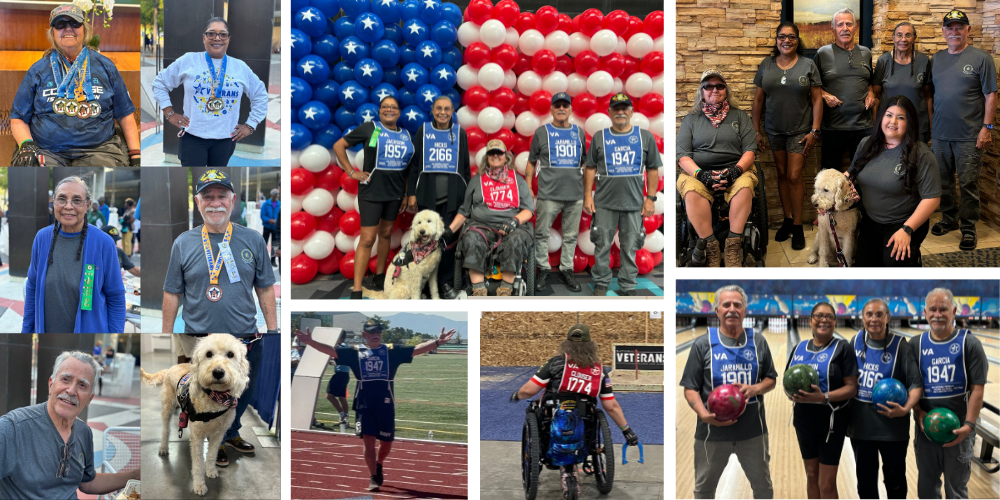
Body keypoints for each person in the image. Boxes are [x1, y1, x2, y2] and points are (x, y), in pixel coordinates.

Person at [294, 319, 456, 492]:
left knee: (386, 443)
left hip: (385, 403)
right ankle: (373, 477)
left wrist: (437, 342)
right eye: (372, 332)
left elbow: (417, 349)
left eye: (378, 332)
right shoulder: (355, 352)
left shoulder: (391, 351)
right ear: (364, 335)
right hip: (364, 403)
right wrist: (310, 342)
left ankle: (379, 463)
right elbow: (331, 350)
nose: (376, 335)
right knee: (368, 440)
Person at [508, 323, 640, 498]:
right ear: (591, 345)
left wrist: (517, 395)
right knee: (591, 414)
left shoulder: (555, 363)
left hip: (552, 416)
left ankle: (541, 457)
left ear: (566, 344)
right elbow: (611, 405)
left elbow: (529, 391)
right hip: (586, 419)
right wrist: (627, 431)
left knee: (533, 409)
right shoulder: (599, 370)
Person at [9, 4, 140, 166]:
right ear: (52, 33)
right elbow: (17, 118)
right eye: (60, 24)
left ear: (84, 30)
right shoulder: (37, 70)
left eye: (74, 23)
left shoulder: (106, 66)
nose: (68, 28)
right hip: (46, 149)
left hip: (100, 150)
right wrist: (27, 145)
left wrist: (136, 157)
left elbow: (124, 114)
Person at [680, 285, 777, 499]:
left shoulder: (758, 342)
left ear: (744, 311)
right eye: (726, 305)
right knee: (703, 491)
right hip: (711, 434)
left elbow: (771, 379)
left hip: (753, 433)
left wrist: (756, 388)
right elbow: (690, 388)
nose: (731, 309)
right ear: (717, 311)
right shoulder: (702, 344)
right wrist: (703, 414)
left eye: (737, 305)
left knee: (763, 489)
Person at [0, 351, 140, 498]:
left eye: (82, 385)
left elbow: (87, 483)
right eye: (66, 379)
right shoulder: (12, 428)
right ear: (51, 385)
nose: (71, 391)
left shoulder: (83, 432)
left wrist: (136, 476)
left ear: (89, 399)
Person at [162, 169, 277, 333]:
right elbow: (172, 293)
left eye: (222, 196)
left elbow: (265, 288)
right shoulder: (183, 243)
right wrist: (166, 333)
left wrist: (273, 331)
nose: (215, 204)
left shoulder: (254, 239)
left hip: (244, 337)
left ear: (232, 200)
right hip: (197, 339)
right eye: (207, 197)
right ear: (197, 201)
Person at [150, 17, 268, 166]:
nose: (217, 38)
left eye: (223, 34)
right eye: (211, 33)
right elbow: (159, 83)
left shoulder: (240, 67)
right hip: (193, 137)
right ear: (204, 37)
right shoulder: (189, 60)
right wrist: (169, 114)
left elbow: (260, 95)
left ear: (228, 38)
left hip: (226, 139)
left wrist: (251, 124)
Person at [929, 9, 998, 251]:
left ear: (968, 30)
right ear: (943, 31)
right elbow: (931, 95)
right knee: (944, 182)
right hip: (939, 135)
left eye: (960, 27)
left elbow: (991, 95)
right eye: (950, 27)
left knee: (968, 183)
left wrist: (986, 128)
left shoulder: (981, 58)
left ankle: (968, 228)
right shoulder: (935, 60)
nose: (954, 31)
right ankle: (949, 220)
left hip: (970, 136)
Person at [910, 288, 989, 499]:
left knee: (956, 491)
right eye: (932, 309)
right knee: (927, 490)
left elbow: (977, 390)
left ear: (954, 311)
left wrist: (969, 426)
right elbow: (912, 388)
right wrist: (918, 413)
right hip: (926, 431)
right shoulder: (915, 345)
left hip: (960, 430)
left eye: (943, 309)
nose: (937, 314)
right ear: (925, 312)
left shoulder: (970, 344)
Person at [332, 96, 413, 299]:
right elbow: (338, 146)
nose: (389, 110)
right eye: (385, 107)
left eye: (393, 107)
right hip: (371, 192)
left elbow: (407, 168)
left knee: (386, 234)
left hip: (395, 194)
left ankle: (379, 277)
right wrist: (352, 172)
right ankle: (357, 288)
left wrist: (405, 193)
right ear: (379, 111)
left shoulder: (406, 135)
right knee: (367, 239)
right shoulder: (371, 128)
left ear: (399, 112)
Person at [751, 22, 822, 250]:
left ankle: (799, 225)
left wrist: (815, 131)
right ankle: (788, 220)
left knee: (794, 176)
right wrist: (755, 130)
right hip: (774, 130)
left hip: (800, 131)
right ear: (776, 39)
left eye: (791, 37)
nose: (787, 41)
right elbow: (759, 101)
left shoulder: (807, 65)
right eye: (782, 36)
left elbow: (817, 100)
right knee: (781, 174)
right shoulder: (766, 65)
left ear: (797, 40)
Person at [846, 95, 941, 267]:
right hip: (871, 220)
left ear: (910, 122)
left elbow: (932, 198)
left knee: (893, 266)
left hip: (904, 222)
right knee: (863, 269)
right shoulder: (866, 144)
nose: (893, 121)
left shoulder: (922, 154)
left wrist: (907, 230)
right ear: (881, 117)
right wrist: (829, 193)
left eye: (901, 117)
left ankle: (913, 260)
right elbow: (850, 175)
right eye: (889, 115)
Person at [22, 176, 125, 333]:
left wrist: (114, 335)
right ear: (54, 202)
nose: (68, 206)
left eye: (77, 200)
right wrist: (27, 329)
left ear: (87, 206)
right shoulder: (42, 238)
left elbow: (116, 296)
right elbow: (32, 286)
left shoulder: (104, 243)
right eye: (62, 199)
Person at [677, 70, 757, 267]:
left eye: (720, 86)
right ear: (702, 92)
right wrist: (701, 175)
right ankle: (711, 248)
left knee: (745, 186)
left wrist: (736, 171)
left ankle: (732, 247)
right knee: (690, 190)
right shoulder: (690, 120)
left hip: (736, 169)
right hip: (698, 172)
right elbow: (682, 156)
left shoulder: (740, 117)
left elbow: (750, 151)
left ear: (726, 90)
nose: (715, 90)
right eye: (709, 86)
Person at [585, 92, 661, 295]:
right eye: (616, 109)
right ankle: (601, 282)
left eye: (624, 109)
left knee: (629, 247)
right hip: (604, 203)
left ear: (631, 112)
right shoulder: (599, 137)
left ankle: (627, 284)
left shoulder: (645, 137)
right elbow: (590, 167)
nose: (620, 112)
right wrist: (587, 196)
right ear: (609, 112)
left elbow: (652, 168)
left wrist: (650, 199)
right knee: (602, 244)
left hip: (634, 204)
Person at [848, 298, 923, 499]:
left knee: (895, 483)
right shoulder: (854, 342)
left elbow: (916, 385)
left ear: (887, 317)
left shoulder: (901, 345)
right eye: (869, 314)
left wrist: (905, 409)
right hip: (861, 429)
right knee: (865, 486)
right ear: (862, 317)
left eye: (879, 314)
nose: (874, 319)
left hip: (893, 430)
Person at [785, 302, 858, 499]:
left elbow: (852, 387)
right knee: (811, 476)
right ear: (810, 321)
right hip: (804, 421)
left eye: (829, 316)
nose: (823, 319)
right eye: (818, 316)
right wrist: (791, 394)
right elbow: (787, 382)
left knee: (826, 484)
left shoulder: (843, 348)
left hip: (832, 423)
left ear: (835, 322)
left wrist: (823, 397)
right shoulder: (799, 347)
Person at [446, 140, 534, 296]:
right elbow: (464, 211)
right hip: (481, 227)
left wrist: (514, 221)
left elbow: (528, 210)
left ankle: (506, 290)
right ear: (487, 158)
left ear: (506, 157)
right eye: (491, 153)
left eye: (499, 153)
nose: (495, 156)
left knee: (517, 240)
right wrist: (449, 231)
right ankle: (479, 290)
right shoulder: (476, 180)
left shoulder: (518, 180)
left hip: (511, 228)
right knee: (471, 239)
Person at [405, 95, 471, 299]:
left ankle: (444, 283)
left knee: (448, 243)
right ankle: (423, 285)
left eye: (447, 109)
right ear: (433, 111)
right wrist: (411, 193)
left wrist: (466, 198)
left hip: (453, 198)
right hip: (427, 196)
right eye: (439, 108)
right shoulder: (423, 131)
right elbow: (415, 164)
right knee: (425, 242)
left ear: (452, 112)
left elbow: (466, 168)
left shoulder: (460, 133)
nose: (443, 112)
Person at [526, 92, 586, 293]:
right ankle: (543, 269)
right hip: (548, 195)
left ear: (570, 109)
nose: (561, 109)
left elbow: (585, 164)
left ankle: (566, 269)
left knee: (571, 236)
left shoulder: (579, 132)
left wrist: (587, 193)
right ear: (551, 109)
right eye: (557, 105)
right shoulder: (541, 132)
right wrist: (527, 187)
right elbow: (531, 162)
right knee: (541, 234)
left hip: (575, 195)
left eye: (565, 105)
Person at [814, 8, 876, 172]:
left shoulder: (866, 53)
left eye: (849, 24)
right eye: (840, 24)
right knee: (829, 176)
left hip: (863, 127)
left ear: (855, 28)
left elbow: (869, 82)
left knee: (863, 174)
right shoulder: (823, 53)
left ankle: (861, 199)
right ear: (833, 28)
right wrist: (825, 94)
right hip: (833, 128)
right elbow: (813, 86)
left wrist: (870, 93)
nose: (845, 28)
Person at [872, 22, 933, 142]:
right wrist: (876, 124)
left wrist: (931, 124)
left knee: (917, 159)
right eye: (899, 35)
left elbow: (928, 96)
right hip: (890, 127)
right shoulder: (883, 61)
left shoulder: (924, 61)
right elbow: (876, 96)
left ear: (914, 38)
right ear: (893, 38)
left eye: (908, 35)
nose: (903, 39)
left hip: (918, 126)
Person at [261, 189, 280, 266]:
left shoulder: (280, 204)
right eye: (275, 194)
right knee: (263, 243)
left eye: (277, 194)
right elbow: (262, 215)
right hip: (267, 226)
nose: (276, 196)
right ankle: (262, 259)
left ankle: (273, 260)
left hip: (276, 228)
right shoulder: (266, 204)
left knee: (275, 245)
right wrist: (269, 220)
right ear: (271, 195)